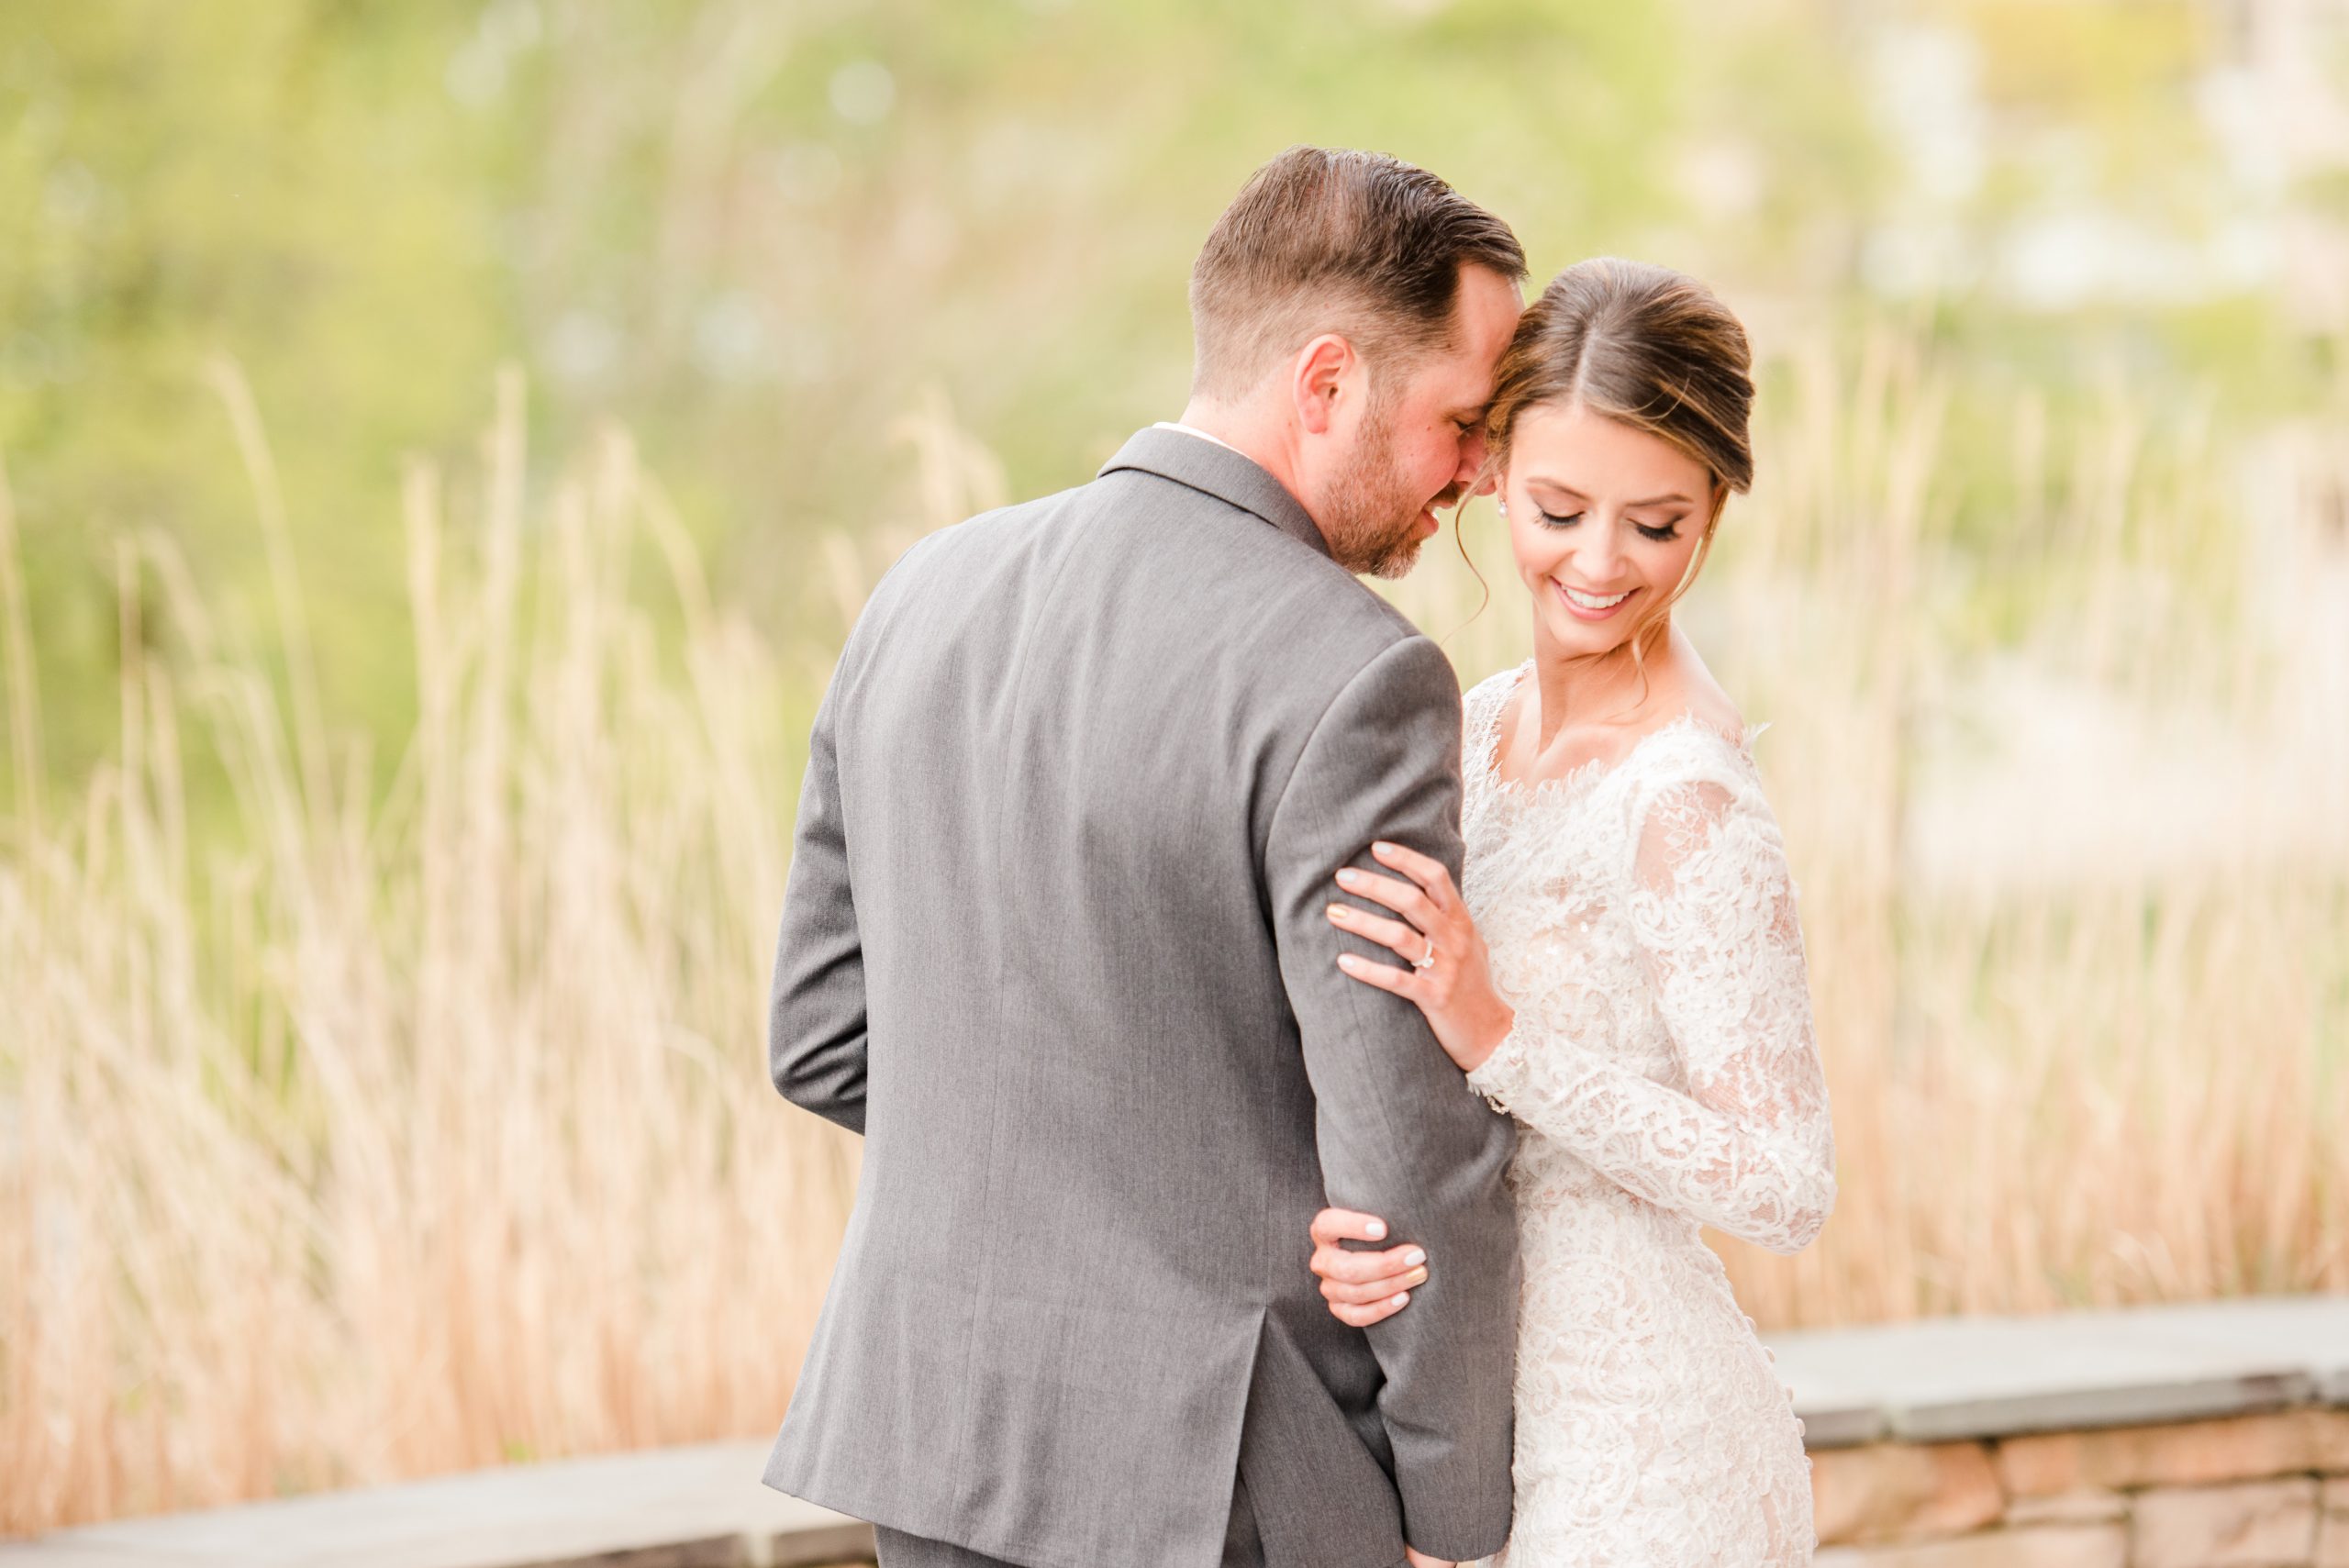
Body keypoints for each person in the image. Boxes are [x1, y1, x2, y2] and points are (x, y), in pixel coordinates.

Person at [762, 145, 1527, 1568]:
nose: (1481, 474)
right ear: (1326, 384)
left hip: (932, 1434)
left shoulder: (920, 592)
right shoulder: (1355, 677)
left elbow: (819, 1036)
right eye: (1463, 422)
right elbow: (1407, 1155)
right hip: (1219, 1477)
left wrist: (1083, 1172)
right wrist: (1452, 1518)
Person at [1306, 258, 1839, 1565]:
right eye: (1558, 509)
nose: (1599, 564)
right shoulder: (1469, 728)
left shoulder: (1689, 797)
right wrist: (1342, 1231)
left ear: (1713, 505)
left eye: (1656, 525)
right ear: (1489, 473)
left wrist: (1503, 1039)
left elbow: (1786, 1183)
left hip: (1648, 1456)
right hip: (1476, 1424)